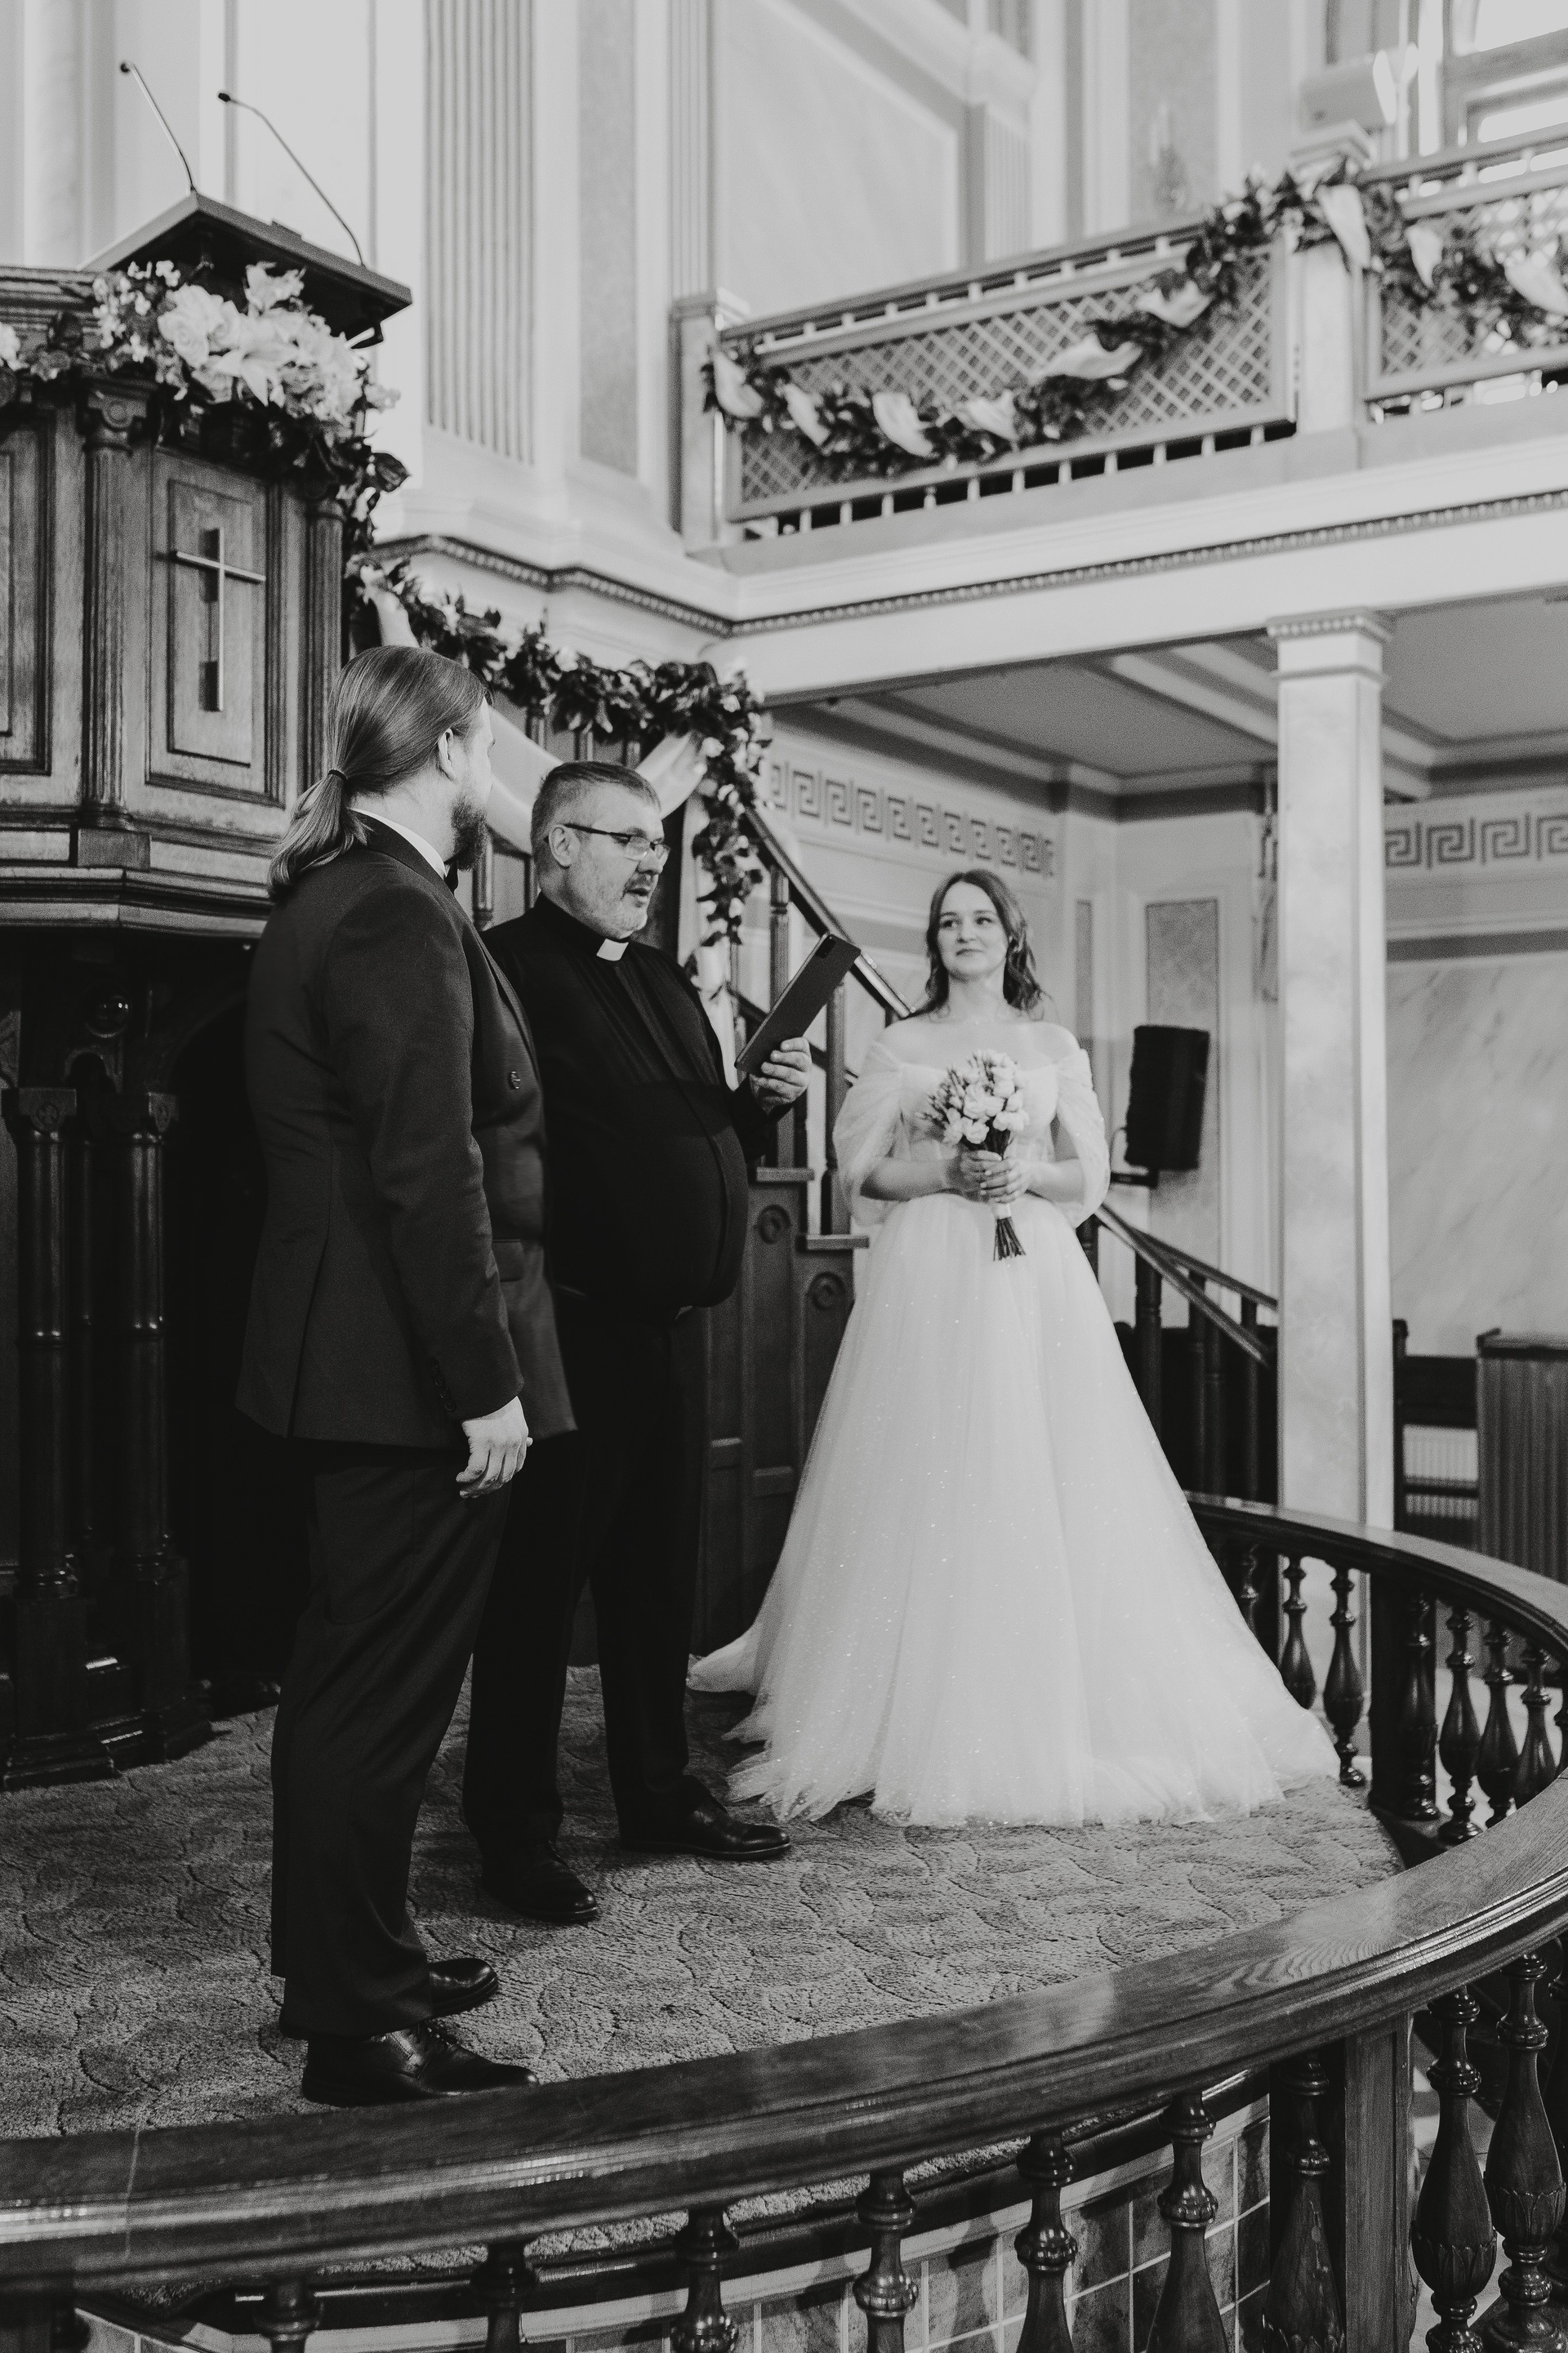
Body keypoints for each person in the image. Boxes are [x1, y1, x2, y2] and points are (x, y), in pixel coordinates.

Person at [689, 869, 1335, 1826]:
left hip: (1032, 1270)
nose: (966, 932)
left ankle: (1055, 1691)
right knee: (928, 1464)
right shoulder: (901, 1042)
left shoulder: (1051, 1046)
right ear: (934, 942)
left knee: (1052, 1462)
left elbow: (1091, 1174)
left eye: (982, 918)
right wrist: (947, 1172)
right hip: (928, 1274)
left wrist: (1023, 1171)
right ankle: (902, 1697)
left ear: (1010, 935)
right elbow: (859, 1173)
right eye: (949, 921)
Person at [238, 645, 572, 2104]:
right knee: (376, 1702)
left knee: (349, 1686)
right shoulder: (390, 905)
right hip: (398, 1370)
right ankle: (359, 2024)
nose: (493, 772)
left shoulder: (346, 889)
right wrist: (485, 1386)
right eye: (487, 745)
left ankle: (346, 1955)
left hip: (350, 1356)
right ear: (445, 749)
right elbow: (426, 1174)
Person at [462, 761, 811, 1924]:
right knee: (538, 1590)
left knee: (659, 1582)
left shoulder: (661, 977)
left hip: (671, 1333)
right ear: (558, 844)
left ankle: (656, 1794)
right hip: (569, 1327)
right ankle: (512, 1833)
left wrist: (760, 1103)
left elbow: (700, 1132)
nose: (653, 861)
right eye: (628, 840)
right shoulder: (505, 970)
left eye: (658, 843)